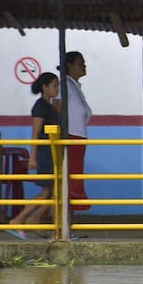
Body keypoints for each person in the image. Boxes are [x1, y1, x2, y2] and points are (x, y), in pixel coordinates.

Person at [7, 72, 61, 240]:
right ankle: (19, 220)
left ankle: (33, 220)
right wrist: (33, 157)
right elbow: (36, 132)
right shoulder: (40, 106)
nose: (57, 89)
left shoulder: (50, 105)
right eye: (54, 85)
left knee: (52, 192)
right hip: (45, 153)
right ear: (44, 87)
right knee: (47, 192)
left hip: (52, 152)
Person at [55, 51, 91, 211]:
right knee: (72, 176)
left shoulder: (74, 86)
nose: (84, 66)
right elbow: (57, 106)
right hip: (70, 136)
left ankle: (69, 217)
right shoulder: (64, 85)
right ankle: (64, 217)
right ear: (69, 66)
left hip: (78, 136)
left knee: (75, 175)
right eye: (80, 63)